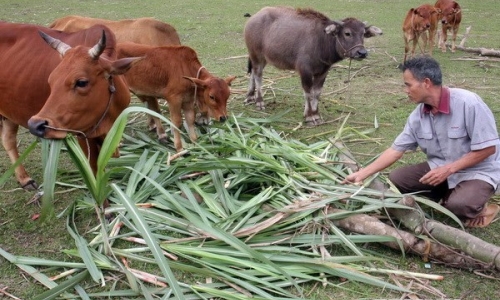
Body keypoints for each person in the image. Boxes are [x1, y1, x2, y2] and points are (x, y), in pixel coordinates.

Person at [343, 56, 500, 228]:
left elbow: (487, 149)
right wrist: (362, 173)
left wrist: (448, 169)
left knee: (459, 206)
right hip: (440, 167)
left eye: (408, 84)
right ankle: (449, 194)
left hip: (478, 170)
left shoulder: (469, 104)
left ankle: (479, 206)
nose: (406, 90)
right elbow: (396, 150)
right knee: (397, 179)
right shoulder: (418, 115)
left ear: (426, 83)